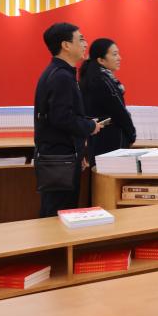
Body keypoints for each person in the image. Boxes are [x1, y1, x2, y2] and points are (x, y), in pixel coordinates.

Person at [34, 22, 100, 217]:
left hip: (62, 157)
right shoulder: (61, 77)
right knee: (58, 214)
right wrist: (90, 126)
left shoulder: (59, 73)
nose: (85, 44)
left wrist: (79, 152)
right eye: (81, 39)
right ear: (66, 45)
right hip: (59, 159)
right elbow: (62, 118)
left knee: (58, 212)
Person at [79, 38, 136, 164]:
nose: (119, 58)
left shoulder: (89, 78)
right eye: (114, 54)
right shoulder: (104, 81)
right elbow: (119, 112)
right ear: (101, 60)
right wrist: (132, 134)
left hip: (96, 139)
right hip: (112, 140)